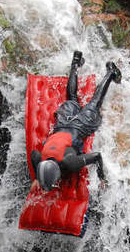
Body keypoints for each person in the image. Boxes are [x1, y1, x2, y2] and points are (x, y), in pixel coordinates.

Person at [31, 52, 121, 192]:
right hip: (62, 122)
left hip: (79, 127)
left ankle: (111, 71)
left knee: (95, 102)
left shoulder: (70, 164)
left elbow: (97, 156)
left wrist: (102, 178)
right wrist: (37, 178)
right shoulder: (40, 160)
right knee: (71, 98)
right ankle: (75, 62)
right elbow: (34, 154)